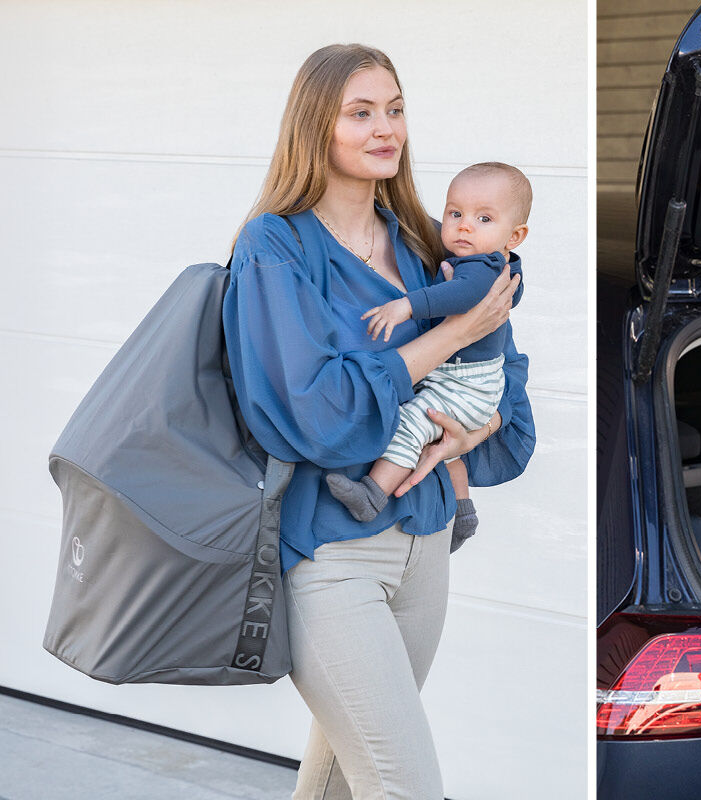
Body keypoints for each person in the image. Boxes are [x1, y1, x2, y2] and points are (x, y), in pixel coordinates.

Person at [223, 44, 535, 799]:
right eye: (361, 112)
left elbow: (508, 402)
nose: (385, 128)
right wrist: (447, 339)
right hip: (331, 556)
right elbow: (315, 414)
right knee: (407, 786)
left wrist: (468, 432)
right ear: (315, 127)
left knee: (339, 782)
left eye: (394, 109)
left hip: (425, 547)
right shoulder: (277, 246)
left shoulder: (432, 239)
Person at [326, 161, 533, 554]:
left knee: (412, 422)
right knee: (438, 440)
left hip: (466, 383)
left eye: (484, 218)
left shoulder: (485, 269)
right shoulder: (477, 261)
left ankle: (372, 494)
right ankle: (463, 511)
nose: (464, 225)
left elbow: (459, 297)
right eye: (455, 213)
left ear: (515, 235)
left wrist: (406, 307)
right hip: (468, 382)